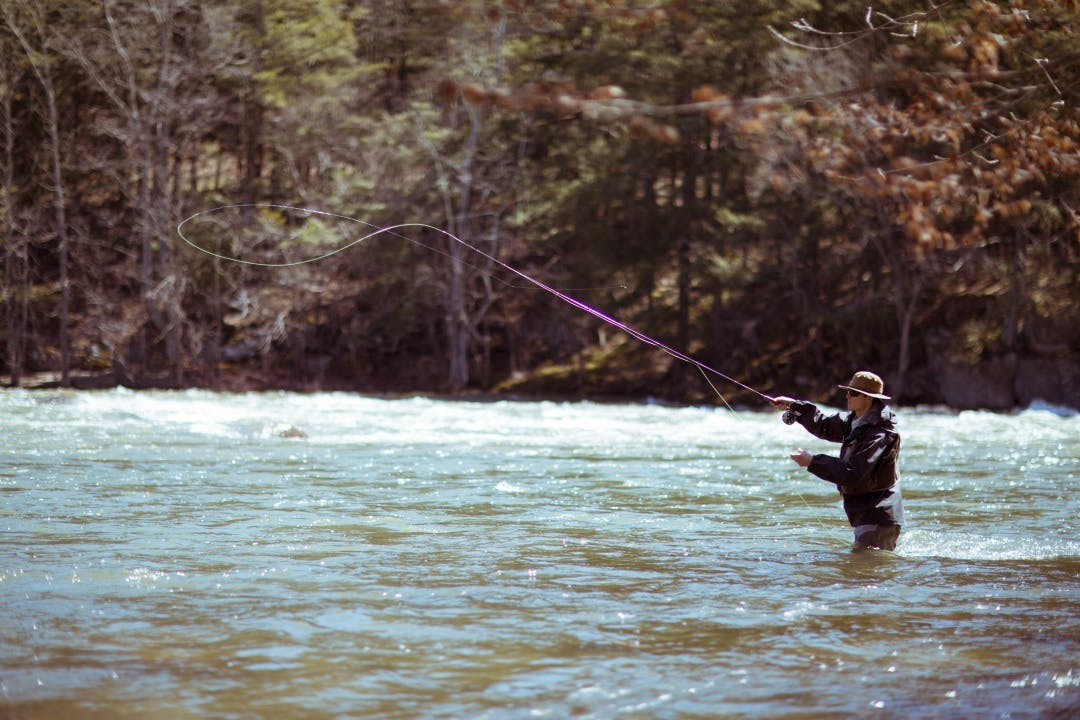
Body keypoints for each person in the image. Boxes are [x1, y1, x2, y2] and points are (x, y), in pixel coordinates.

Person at [770, 371, 904, 551]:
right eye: (848, 391)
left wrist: (812, 462)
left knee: (865, 574)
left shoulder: (880, 434)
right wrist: (794, 406)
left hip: (877, 516)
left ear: (869, 398)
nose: (848, 396)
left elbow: (853, 473)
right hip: (867, 514)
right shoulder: (855, 420)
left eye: (854, 393)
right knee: (863, 572)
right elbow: (824, 425)